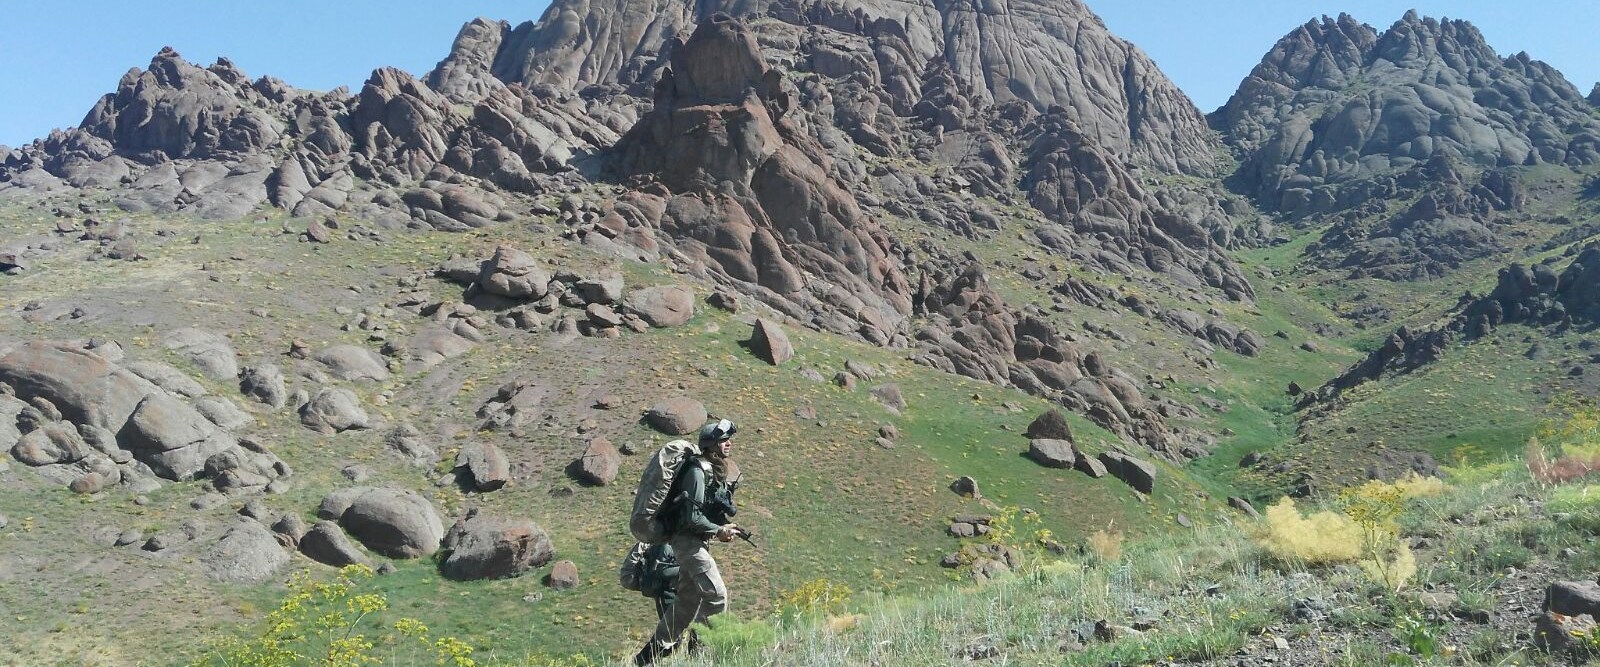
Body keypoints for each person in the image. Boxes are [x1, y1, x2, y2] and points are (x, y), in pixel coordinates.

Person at [633, 418, 741, 666]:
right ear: (711, 444)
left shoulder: (709, 470)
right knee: (717, 596)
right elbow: (690, 517)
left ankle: (647, 658)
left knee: (686, 603)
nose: (729, 444)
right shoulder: (697, 470)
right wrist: (718, 530)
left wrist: (720, 526)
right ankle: (697, 654)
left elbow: (701, 512)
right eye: (724, 440)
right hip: (687, 542)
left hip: (695, 542)